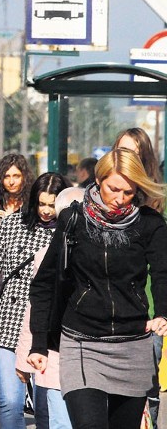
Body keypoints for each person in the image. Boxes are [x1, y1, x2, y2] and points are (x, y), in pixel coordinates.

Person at [29, 148, 167, 429]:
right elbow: (44, 282)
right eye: (114, 189)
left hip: (132, 345)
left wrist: (163, 313)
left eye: (129, 192)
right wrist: (39, 342)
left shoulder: (150, 224)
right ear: (98, 180)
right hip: (81, 342)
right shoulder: (73, 220)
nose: (120, 199)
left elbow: (164, 273)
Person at [0, 172, 71, 429]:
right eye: (41, 203)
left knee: (45, 407)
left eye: (51, 204)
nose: (45, 210)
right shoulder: (13, 224)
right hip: (9, 322)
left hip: (48, 327)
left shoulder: (69, 232)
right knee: (10, 400)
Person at [15, 186, 85, 429]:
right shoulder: (46, 255)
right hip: (54, 353)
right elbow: (37, 305)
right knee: (57, 420)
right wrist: (31, 352)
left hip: (93, 354)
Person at [113, 127, 164, 427]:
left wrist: (162, 315)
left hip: (146, 316)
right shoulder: (101, 201)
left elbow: (162, 270)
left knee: (144, 395)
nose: (126, 158)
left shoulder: (156, 207)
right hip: (107, 316)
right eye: (121, 151)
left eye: (133, 153)